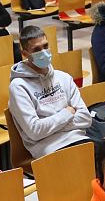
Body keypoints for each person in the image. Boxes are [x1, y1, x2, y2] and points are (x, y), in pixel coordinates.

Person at [8, 25, 92, 159]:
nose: (44, 52)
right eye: (36, 49)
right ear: (25, 54)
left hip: (79, 139)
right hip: (50, 148)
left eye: (45, 46)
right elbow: (35, 131)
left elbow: (85, 118)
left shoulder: (63, 77)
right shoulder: (18, 86)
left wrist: (51, 126)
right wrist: (67, 114)